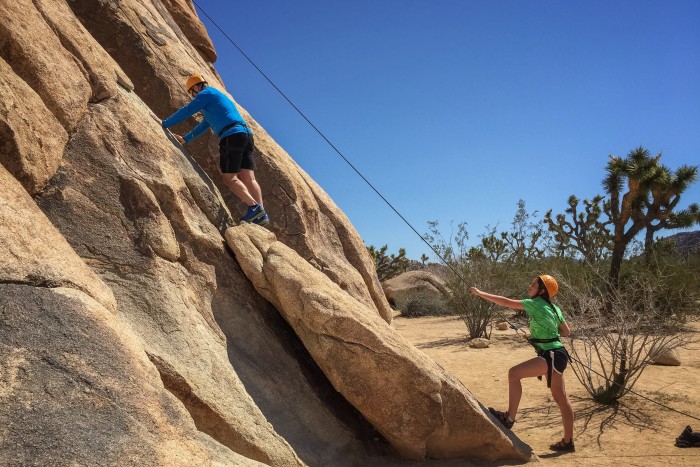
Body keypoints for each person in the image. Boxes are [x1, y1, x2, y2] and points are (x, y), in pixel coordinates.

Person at [470, 275, 575, 453]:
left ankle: (509, 418)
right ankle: (568, 441)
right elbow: (566, 331)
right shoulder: (555, 308)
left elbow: (505, 302)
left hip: (550, 355)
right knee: (562, 399)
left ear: (542, 291)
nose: (530, 287)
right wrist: (543, 333)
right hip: (559, 355)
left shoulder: (535, 303)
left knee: (514, 374)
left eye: (533, 285)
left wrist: (480, 293)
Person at [156, 73, 269, 225]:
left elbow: (187, 110)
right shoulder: (216, 96)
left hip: (231, 136)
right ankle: (262, 215)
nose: (193, 96)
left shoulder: (205, 94)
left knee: (230, 179)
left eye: (192, 93)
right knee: (249, 177)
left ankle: (254, 208)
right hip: (245, 135)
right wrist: (186, 139)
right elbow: (206, 124)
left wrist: (165, 123)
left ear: (196, 87)